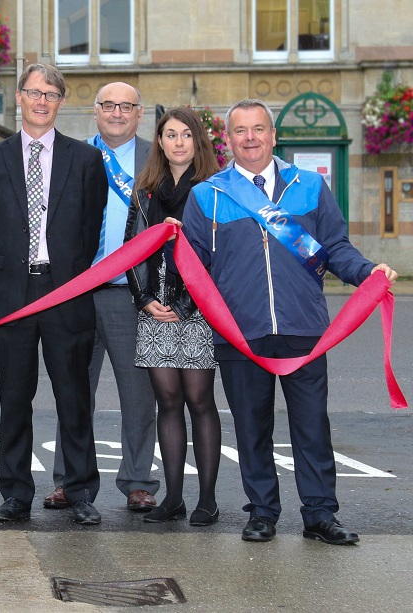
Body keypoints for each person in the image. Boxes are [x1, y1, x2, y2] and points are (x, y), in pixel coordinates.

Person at [183, 99, 397, 545]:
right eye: (240, 130)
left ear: (273, 135)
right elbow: (194, 269)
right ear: (228, 139)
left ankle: (320, 515)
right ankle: (262, 512)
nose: (250, 138)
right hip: (241, 335)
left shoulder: (309, 187)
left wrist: (367, 273)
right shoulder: (208, 195)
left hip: (303, 328)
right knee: (251, 426)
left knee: (311, 426)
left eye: (258, 129)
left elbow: (336, 248)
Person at [0, 63, 106, 525]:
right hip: (13, 291)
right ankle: (14, 493)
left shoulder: (87, 160)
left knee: (73, 397)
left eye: (50, 94)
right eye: (34, 92)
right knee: (14, 397)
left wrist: (65, 269)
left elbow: (90, 229)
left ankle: (79, 490)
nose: (41, 101)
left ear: (60, 101)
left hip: (67, 290)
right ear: (19, 97)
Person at [46, 82, 159, 513]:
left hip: (131, 295)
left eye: (125, 106)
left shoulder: (157, 158)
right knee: (72, 389)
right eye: (108, 105)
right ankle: (68, 480)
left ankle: (137, 481)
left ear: (139, 112)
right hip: (76, 289)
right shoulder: (71, 154)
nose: (116, 113)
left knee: (138, 392)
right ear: (95, 112)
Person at [125, 107, 221, 526]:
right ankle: (174, 499)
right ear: (159, 143)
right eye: (169, 135)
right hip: (154, 310)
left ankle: (207, 500)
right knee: (168, 402)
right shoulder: (145, 190)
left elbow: (220, 255)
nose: (178, 141)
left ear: (197, 141)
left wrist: (186, 306)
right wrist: (143, 299)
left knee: (200, 402)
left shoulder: (214, 189)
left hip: (197, 311)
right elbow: (130, 249)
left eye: (185, 134)